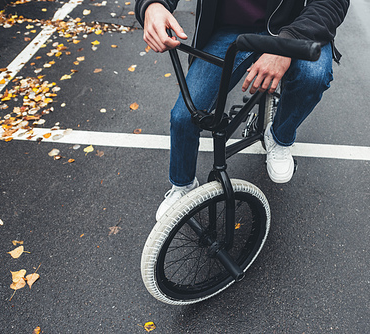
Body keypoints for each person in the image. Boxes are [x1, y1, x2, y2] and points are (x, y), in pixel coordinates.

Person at [134, 0, 350, 220]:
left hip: (296, 27)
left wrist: (288, 42)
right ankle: (183, 186)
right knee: (184, 116)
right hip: (229, 30)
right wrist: (153, 5)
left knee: (312, 77)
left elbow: (331, 3)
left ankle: (279, 136)